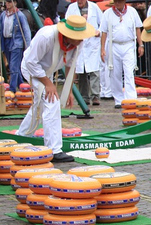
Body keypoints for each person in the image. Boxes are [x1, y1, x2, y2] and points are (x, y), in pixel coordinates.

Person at [17, 15, 97, 162]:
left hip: (46, 70)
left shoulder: (78, 43)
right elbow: (30, 62)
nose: (81, 40)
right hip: (31, 68)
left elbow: (70, 66)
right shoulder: (46, 36)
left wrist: (69, 90)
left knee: (40, 105)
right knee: (51, 101)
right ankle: (54, 149)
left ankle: (22, 136)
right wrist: (48, 83)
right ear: (68, 35)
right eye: (78, 36)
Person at [100, 0, 143, 109]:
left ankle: (131, 98)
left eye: (120, 1)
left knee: (129, 72)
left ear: (124, 1)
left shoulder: (132, 11)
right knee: (115, 73)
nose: (118, 3)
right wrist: (102, 49)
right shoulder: (108, 13)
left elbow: (138, 28)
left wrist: (141, 44)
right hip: (113, 45)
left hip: (129, 44)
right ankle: (118, 99)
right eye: (116, 1)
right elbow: (104, 32)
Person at [66, 0, 103, 105]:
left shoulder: (94, 7)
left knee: (94, 71)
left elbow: (102, 22)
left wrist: (99, 31)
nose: (79, 1)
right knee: (81, 71)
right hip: (79, 42)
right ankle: (84, 97)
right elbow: (67, 22)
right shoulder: (71, 8)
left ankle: (95, 95)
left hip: (92, 43)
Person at [2, 0, 32, 92]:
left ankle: (12, 90)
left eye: (9, 2)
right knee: (12, 66)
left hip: (16, 43)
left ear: (14, 3)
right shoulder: (3, 15)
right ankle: (22, 85)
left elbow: (26, 31)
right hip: (6, 42)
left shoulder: (20, 15)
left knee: (14, 67)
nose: (7, 4)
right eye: (7, 2)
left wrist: (28, 46)